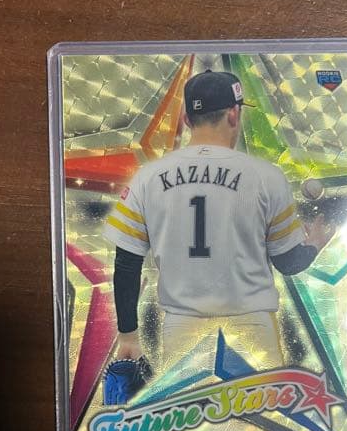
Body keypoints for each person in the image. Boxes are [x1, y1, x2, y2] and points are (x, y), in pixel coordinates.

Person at [103, 70, 333, 371]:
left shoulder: (148, 178)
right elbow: (288, 263)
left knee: (189, 405)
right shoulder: (267, 177)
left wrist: (128, 335)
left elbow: (126, 265)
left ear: (187, 119)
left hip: (182, 327)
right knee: (258, 404)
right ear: (234, 114)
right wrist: (314, 245)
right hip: (251, 327)